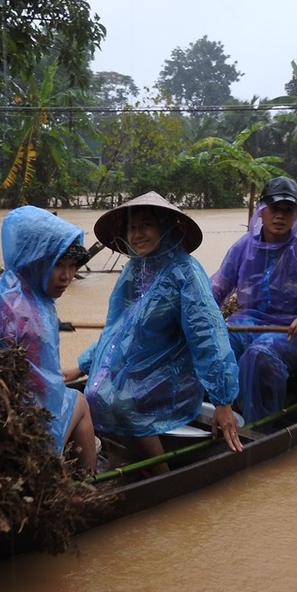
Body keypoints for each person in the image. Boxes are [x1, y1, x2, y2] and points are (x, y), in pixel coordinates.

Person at [77, 192, 243, 474]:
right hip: (139, 368)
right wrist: (84, 364)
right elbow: (116, 331)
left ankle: (160, 473)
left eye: (146, 225)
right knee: (92, 392)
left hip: (173, 375)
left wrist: (222, 400)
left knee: (120, 402)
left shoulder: (185, 273)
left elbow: (207, 337)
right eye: (131, 227)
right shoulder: (133, 271)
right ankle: (123, 458)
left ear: (164, 227)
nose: (137, 234)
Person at [210, 176, 297, 424]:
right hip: (248, 321)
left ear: (296, 215)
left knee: (260, 354)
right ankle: (211, 411)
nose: (280, 216)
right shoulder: (243, 246)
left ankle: (258, 426)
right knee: (215, 343)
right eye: (274, 209)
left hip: (290, 328)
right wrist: (197, 314)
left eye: (288, 210)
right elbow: (218, 285)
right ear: (262, 211)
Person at [0, 205, 97, 474]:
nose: (67, 277)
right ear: (37, 260)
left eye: (72, 267)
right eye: (59, 265)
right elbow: (41, 387)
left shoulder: (6, 288)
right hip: (28, 420)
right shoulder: (33, 318)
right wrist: (58, 378)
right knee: (81, 402)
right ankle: (89, 480)